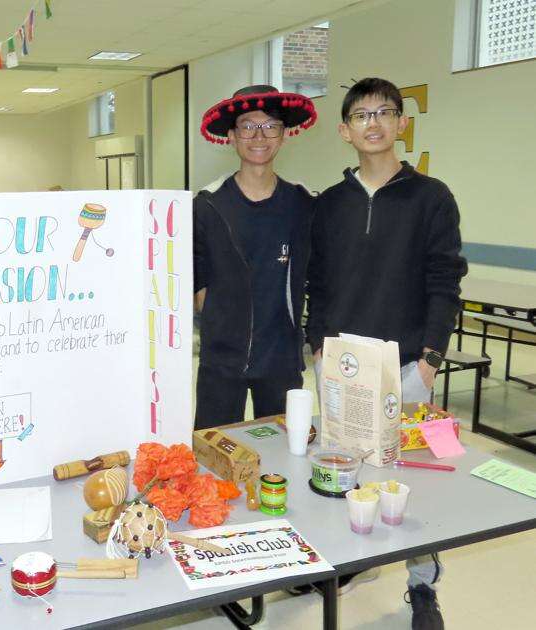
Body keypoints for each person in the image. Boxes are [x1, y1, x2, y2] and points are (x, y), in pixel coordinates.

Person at [306, 78, 467, 630]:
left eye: (384, 112)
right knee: (345, 470)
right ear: (344, 129)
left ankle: (422, 586)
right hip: (342, 369)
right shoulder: (329, 205)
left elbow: (445, 279)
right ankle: (352, 557)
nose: (372, 123)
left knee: (410, 481)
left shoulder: (432, 197)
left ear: (401, 122)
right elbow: (318, 283)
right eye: (361, 114)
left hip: (406, 367)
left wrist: (430, 357)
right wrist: (318, 346)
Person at [193, 85, 318, 429]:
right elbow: (196, 277)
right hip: (221, 360)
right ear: (232, 136)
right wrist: (219, 316)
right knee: (214, 448)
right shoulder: (208, 205)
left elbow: (317, 274)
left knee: (284, 447)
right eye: (248, 126)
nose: (259, 136)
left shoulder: (302, 204)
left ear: (284, 135)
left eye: (270, 126)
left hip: (281, 359)